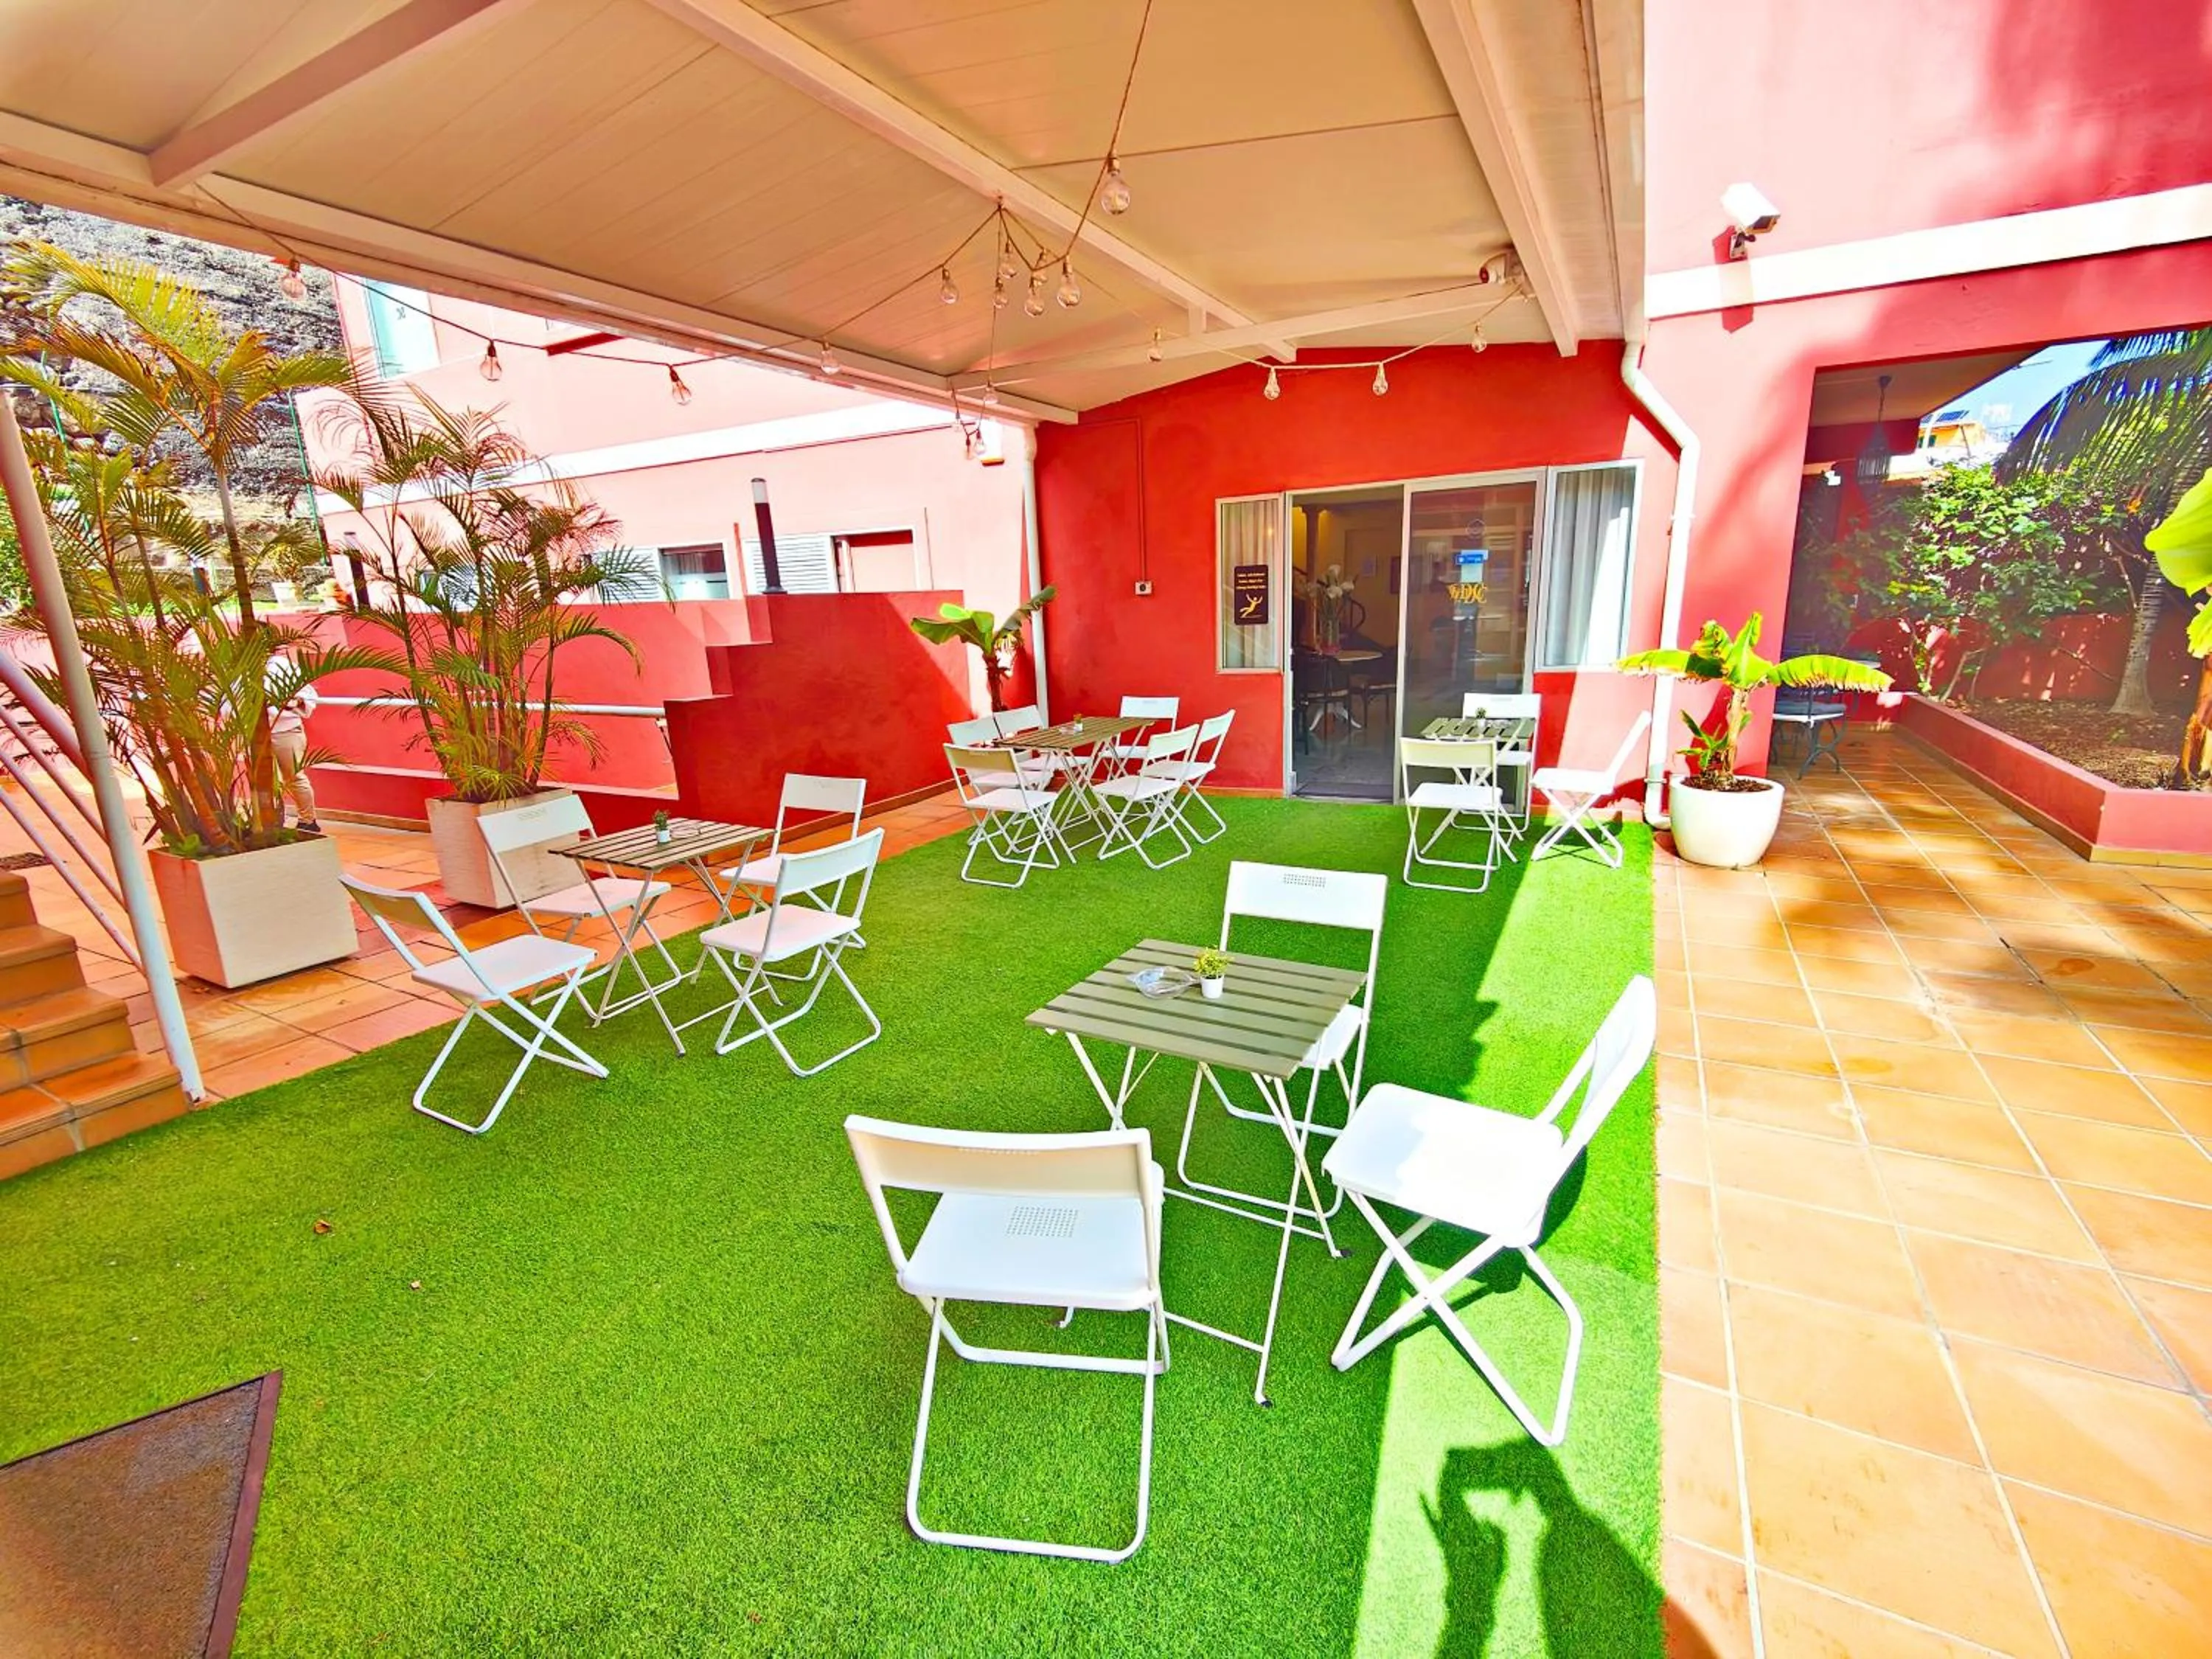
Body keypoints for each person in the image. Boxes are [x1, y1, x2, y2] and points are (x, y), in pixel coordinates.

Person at [266, 656, 319, 832]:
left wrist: (293, 702)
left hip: (286, 731)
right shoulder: (241, 665)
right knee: (264, 780)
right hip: (255, 734)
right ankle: (270, 821)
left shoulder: (282, 665)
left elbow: (307, 695)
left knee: (294, 777)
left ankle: (308, 821)